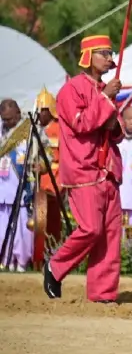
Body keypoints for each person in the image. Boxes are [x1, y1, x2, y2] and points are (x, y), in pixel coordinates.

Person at [43, 34, 123, 303]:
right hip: (84, 168)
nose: (111, 59)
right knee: (91, 229)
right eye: (105, 53)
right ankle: (55, 267)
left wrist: (114, 124)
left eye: (112, 53)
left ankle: (103, 292)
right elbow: (81, 124)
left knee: (111, 234)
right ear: (89, 56)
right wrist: (105, 99)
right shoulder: (71, 90)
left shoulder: (105, 88)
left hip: (108, 169)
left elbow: (117, 131)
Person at [31, 87, 62, 269]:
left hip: (54, 179)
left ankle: (52, 255)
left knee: (52, 222)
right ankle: (36, 257)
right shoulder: (34, 130)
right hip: (35, 180)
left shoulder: (59, 129)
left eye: (43, 110)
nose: (40, 114)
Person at [0, 98, 33, 270]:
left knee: (21, 231)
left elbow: (43, 157)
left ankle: (21, 263)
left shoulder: (29, 132)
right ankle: (5, 260)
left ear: (18, 114)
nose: (6, 123)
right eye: (3, 119)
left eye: (10, 119)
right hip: (1, 191)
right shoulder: (0, 132)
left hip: (19, 190)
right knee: (2, 229)